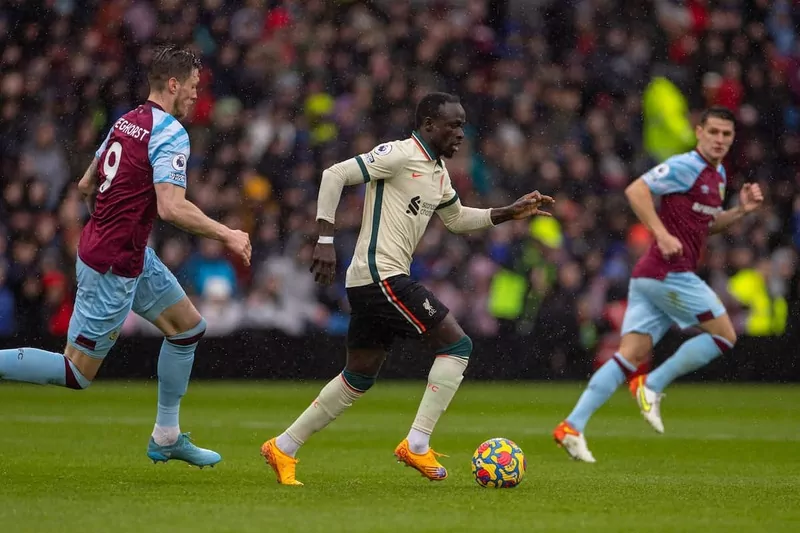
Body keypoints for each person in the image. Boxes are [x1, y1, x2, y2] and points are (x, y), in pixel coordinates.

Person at [261, 92, 554, 485]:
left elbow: (456, 219)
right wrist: (326, 240)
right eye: (453, 124)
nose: (461, 133)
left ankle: (283, 446)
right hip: (382, 275)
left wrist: (508, 212)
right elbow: (335, 174)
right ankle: (416, 445)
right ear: (429, 125)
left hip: (375, 279)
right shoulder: (399, 154)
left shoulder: (438, 172)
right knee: (457, 345)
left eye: (463, 125)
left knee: (358, 377)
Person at [0, 45, 251, 467]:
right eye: (192, 86)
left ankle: (166, 436)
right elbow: (171, 207)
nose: (195, 94)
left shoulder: (128, 120)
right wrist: (227, 233)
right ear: (173, 84)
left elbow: (85, 183)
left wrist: (113, 215)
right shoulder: (170, 132)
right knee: (75, 373)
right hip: (113, 265)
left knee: (187, 329)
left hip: (127, 253)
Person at [553, 106, 764, 462]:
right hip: (669, 273)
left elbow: (706, 226)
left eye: (726, 134)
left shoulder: (719, 174)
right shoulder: (686, 165)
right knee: (725, 335)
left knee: (629, 355)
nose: (719, 139)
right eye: (713, 132)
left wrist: (741, 211)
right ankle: (651, 384)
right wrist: (661, 234)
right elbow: (636, 190)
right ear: (699, 132)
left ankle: (571, 426)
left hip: (651, 277)